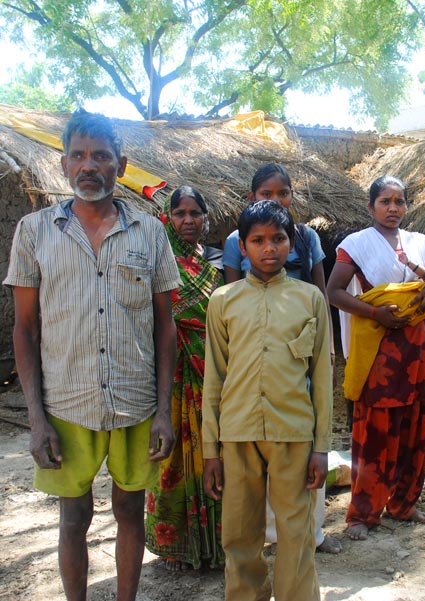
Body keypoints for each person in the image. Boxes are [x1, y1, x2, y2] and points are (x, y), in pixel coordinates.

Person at [3, 109, 181, 601]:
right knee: (73, 515)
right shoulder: (34, 231)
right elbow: (25, 329)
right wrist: (36, 419)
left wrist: (163, 411)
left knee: (129, 510)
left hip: (136, 401)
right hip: (66, 403)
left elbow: (165, 327)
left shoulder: (149, 232)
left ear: (120, 166)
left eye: (101, 156)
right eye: (78, 155)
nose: (89, 166)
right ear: (62, 164)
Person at [202, 200, 332, 601]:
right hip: (237, 433)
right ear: (242, 247)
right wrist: (211, 450)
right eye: (257, 240)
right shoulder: (222, 301)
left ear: (291, 243)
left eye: (277, 239)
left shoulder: (311, 299)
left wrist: (322, 448)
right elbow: (215, 378)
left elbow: (322, 378)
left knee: (296, 530)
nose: (268, 248)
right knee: (239, 532)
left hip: (293, 432)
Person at [326, 174, 425, 542]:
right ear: (371, 207)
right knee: (374, 430)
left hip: (420, 347)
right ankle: (362, 514)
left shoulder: (423, 243)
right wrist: (374, 314)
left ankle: (403, 503)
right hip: (379, 346)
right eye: (385, 201)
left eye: (399, 201)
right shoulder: (356, 244)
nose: (393, 208)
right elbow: (333, 291)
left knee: (418, 423)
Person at [222, 162, 341, 555]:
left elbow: (321, 291)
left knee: (304, 447)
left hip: (301, 341)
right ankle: (272, 536)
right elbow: (235, 302)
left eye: (283, 193)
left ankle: (311, 534)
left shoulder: (306, 238)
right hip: (258, 353)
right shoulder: (236, 241)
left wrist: (323, 345)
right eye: (266, 194)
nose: (276, 200)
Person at [145, 185, 225, 571]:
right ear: (168, 217)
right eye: (180, 213)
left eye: (196, 213)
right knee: (174, 458)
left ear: (207, 217)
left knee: (214, 455)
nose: (188, 220)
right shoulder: (158, 262)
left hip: (211, 372)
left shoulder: (215, 263)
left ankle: (214, 546)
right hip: (171, 376)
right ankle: (176, 547)